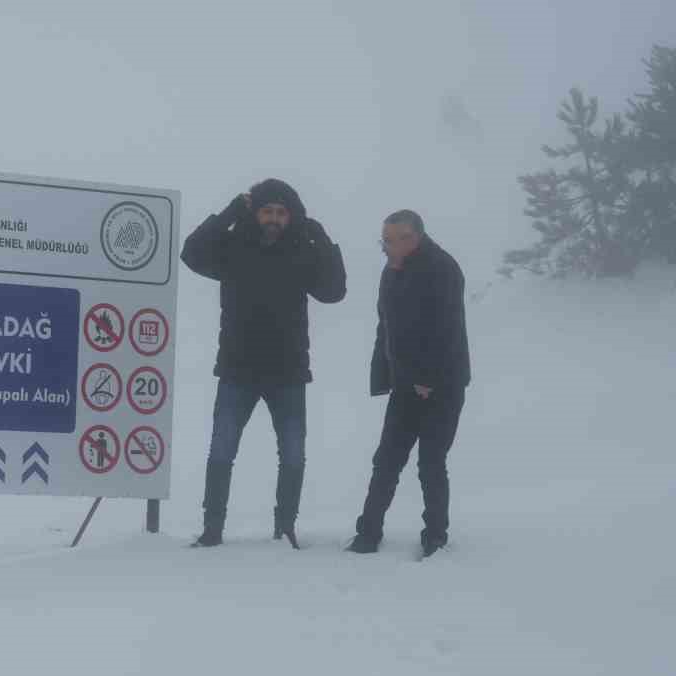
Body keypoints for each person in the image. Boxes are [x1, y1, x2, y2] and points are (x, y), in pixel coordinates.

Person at [180, 179, 347, 548]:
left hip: (288, 373)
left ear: (291, 217)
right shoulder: (233, 247)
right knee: (221, 450)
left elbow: (334, 291)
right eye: (267, 211)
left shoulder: (303, 251)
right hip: (237, 369)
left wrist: (321, 238)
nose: (274, 219)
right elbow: (191, 253)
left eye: (281, 213)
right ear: (254, 213)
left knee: (292, 453)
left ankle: (285, 528)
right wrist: (228, 213)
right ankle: (212, 529)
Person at [347, 210, 472, 558]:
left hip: (442, 384)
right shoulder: (391, 272)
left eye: (396, 239)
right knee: (386, 460)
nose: (388, 246)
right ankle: (367, 534)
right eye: (385, 240)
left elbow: (446, 329)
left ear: (414, 237)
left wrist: (427, 379)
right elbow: (385, 327)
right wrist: (382, 375)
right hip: (406, 384)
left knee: (431, 462)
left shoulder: (442, 268)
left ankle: (435, 537)